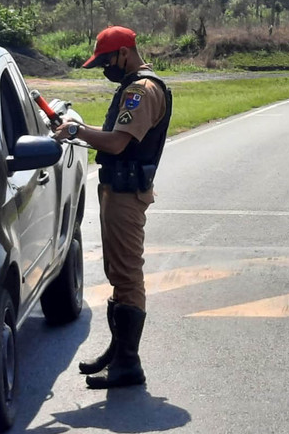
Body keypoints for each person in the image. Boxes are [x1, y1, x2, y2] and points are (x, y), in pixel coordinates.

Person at [52, 25, 172, 389]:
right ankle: (118, 351)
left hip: (126, 192)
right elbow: (114, 139)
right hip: (116, 188)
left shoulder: (141, 90)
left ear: (124, 53)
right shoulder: (133, 86)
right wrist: (77, 129)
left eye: (107, 61)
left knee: (127, 275)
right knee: (117, 272)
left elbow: (118, 143)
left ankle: (128, 364)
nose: (106, 69)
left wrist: (77, 131)